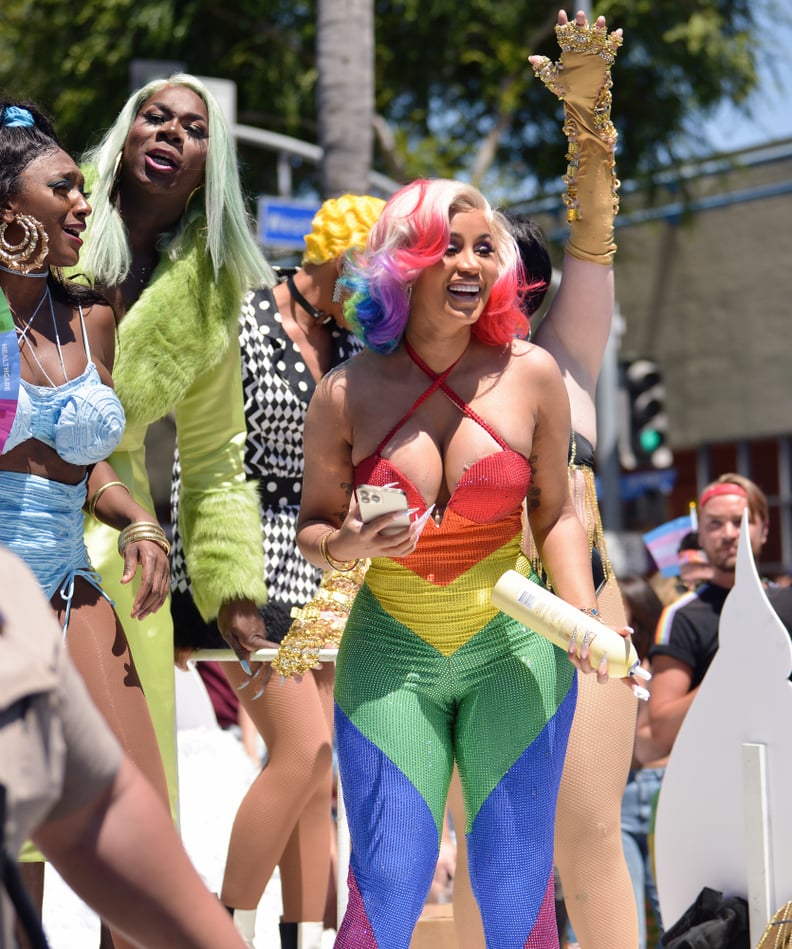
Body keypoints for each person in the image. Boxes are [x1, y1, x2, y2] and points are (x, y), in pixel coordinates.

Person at [295, 174, 631, 947]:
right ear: (403, 263)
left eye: (487, 248)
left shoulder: (532, 374)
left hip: (511, 650)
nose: (475, 265)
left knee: (515, 887)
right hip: (389, 651)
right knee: (390, 877)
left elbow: (554, 512)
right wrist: (350, 544)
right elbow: (313, 528)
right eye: (450, 248)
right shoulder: (345, 392)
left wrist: (578, 610)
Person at [169, 194, 384, 948]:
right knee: (304, 750)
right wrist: (211, 581)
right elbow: (202, 457)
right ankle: (221, 929)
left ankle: (305, 937)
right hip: (249, 565)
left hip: (325, 574)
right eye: (375, 277)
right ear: (335, 259)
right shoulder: (246, 320)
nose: (381, 296)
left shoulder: (354, 348)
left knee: (319, 777)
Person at [76, 74, 274, 829]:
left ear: (209, 166)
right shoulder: (46, 225)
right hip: (18, 496)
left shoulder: (210, 293)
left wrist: (234, 598)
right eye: (154, 118)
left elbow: (218, 456)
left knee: (136, 796)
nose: (169, 133)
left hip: (126, 542)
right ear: (126, 136)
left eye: (193, 129)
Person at [0, 98, 174, 948]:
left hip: (72, 578)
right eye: (63, 187)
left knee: (142, 826)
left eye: (84, 189)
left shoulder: (89, 314)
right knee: (14, 846)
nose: (84, 203)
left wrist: (138, 519)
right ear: (8, 212)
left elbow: (85, 456)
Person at [0, 545, 250, 949]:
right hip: (64, 584)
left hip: (88, 583)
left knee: (119, 816)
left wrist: (139, 522)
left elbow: (110, 815)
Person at [649, 473, 770, 756]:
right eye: (715, 524)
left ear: (764, 530)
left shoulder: (785, 603)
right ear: (700, 536)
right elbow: (662, 731)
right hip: (721, 779)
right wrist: (728, 671)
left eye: (741, 521)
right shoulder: (682, 616)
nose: (729, 534)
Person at [618, 573, 667, 949]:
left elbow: (647, 746)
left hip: (657, 786)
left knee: (671, 911)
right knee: (622, 915)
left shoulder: (656, 667)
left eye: (627, 619)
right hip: (618, 793)